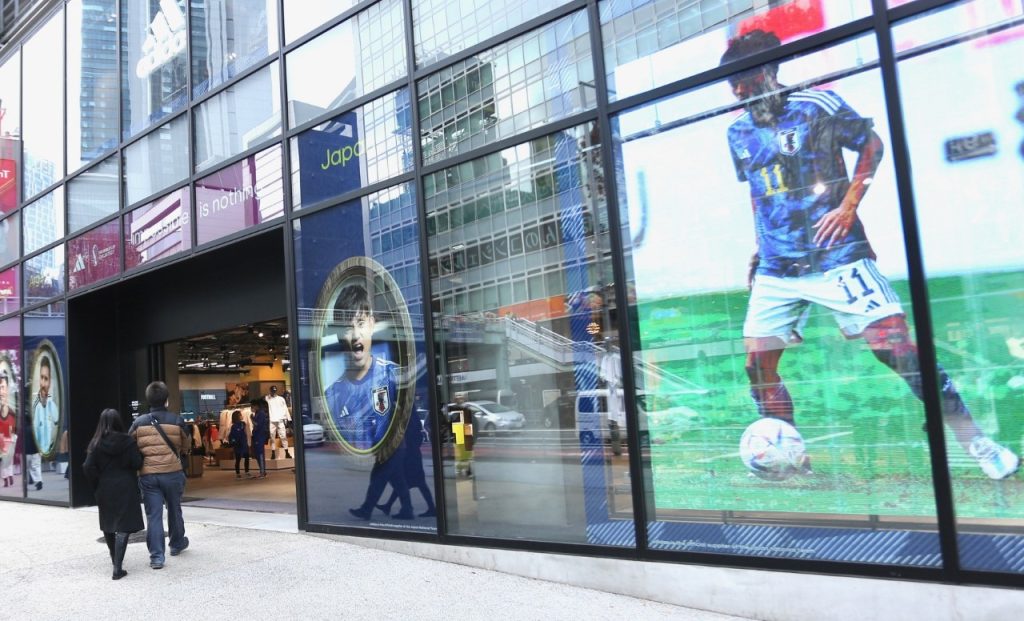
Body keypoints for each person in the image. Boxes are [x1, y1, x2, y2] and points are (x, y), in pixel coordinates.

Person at [721, 29, 1020, 480]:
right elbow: (762, 193)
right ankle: (790, 457)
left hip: (836, 255)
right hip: (777, 266)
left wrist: (848, 206)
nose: (739, 90)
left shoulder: (816, 106)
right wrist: (759, 247)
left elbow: (872, 145)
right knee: (757, 365)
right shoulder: (738, 130)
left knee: (894, 348)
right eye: (732, 84)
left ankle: (976, 442)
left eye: (744, 79)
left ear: (768, 71)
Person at [324, 283, 411, 520]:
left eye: (360, 324)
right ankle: (406, 508)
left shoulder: (393, 375)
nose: (355, 336)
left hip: (391, 449)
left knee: (382, 477)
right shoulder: (332, 395)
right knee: (395, 478)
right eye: (347, 328)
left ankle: (369, 509)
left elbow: (405, 415)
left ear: (372, 324)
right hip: (376, 453)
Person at [128, 381, 190, 569]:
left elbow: (129, 446)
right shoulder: (177, 420)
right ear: (166, 400)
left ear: (148, 400)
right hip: (172, 473)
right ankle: (176, 544)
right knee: (174, 508)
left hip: (148, 475)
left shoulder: (138, 423)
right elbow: (187, 446)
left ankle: (157, 557)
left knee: (154, 515)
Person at [82, 409, 145, 580]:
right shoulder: (128, 441)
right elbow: (137, 463)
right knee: (124, 526)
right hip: (125, 486)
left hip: (105, 487)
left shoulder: (96, 443)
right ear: (119, 422)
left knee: (108, 523)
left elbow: (87, 466)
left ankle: (114, 559)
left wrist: (96, 483)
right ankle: (117, 567)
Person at [32, 356, 59, 480]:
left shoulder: (52, 405)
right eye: (41, 378)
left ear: (50, 382)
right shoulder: (35, 405)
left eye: (46, 379)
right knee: (33, 462)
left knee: (34, 463)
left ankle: (34, 478)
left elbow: (57, 421)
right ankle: (34, 478)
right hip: (36, 447)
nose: (43, 383)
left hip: (48, 448)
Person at [266, 385, 291, 459]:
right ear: (270, 391)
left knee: (283, 436)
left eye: (274, 391)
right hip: (272, 420)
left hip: (280, 420)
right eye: (272, 391)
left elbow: (285, 409)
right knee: (272, 437)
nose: (273, 392)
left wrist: (287, 419)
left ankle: (286, 452)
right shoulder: (267, 398)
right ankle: (273, 452)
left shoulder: (281, 399)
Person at [0, 372, 16, 488]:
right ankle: (8, 476)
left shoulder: (10, 405)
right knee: (7, 459)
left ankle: (6, 477)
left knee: (6, 459)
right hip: (6, 435)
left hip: (6, 435)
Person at [228, 409, 251, 479]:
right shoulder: (233, 426)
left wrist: (248, 442)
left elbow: (247, 433)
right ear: (237, 416)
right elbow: (232, 435)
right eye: (240, 415)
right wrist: (234, 442)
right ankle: (238, 473)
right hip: (238, 445)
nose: (242, 416)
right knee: (238, 459)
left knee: (247, 458)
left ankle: (247, 471)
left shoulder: (243, 424)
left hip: (244, 443)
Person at [250, 398, 270, 478]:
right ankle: (261, 471)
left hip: (260, 436)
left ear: (256, 406)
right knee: (258, 454)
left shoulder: (261, 413)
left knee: (260, 454)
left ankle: (263, 472)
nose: (251, 408)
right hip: (257, 436)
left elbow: (257, 424)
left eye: (252, 406)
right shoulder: (258, 413)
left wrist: (252, 419)